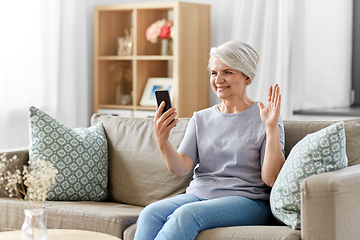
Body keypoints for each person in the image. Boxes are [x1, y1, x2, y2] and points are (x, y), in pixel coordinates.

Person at [134, 40, 285, 240]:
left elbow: (271, 178)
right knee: (149, 214)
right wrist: (162, 141)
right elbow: (180, 168)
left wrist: (271, 128)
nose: (218, 79)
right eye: (214, 73)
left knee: (185, 215)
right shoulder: (201, 118)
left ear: (247, 76)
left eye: (227, 72)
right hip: (199, 195)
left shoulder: (266, 117)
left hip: (247, 200)